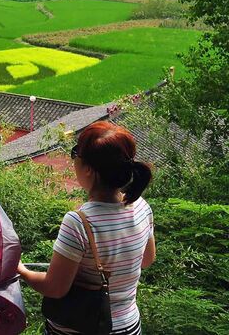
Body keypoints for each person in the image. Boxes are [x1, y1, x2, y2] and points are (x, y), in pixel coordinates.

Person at [18, 121, 156, 335]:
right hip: (129, 327)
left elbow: (55, 288)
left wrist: (22, 271)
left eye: (76, 153)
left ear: (89, 169)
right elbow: (147, 260)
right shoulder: (141, 207)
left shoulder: (78, 222)